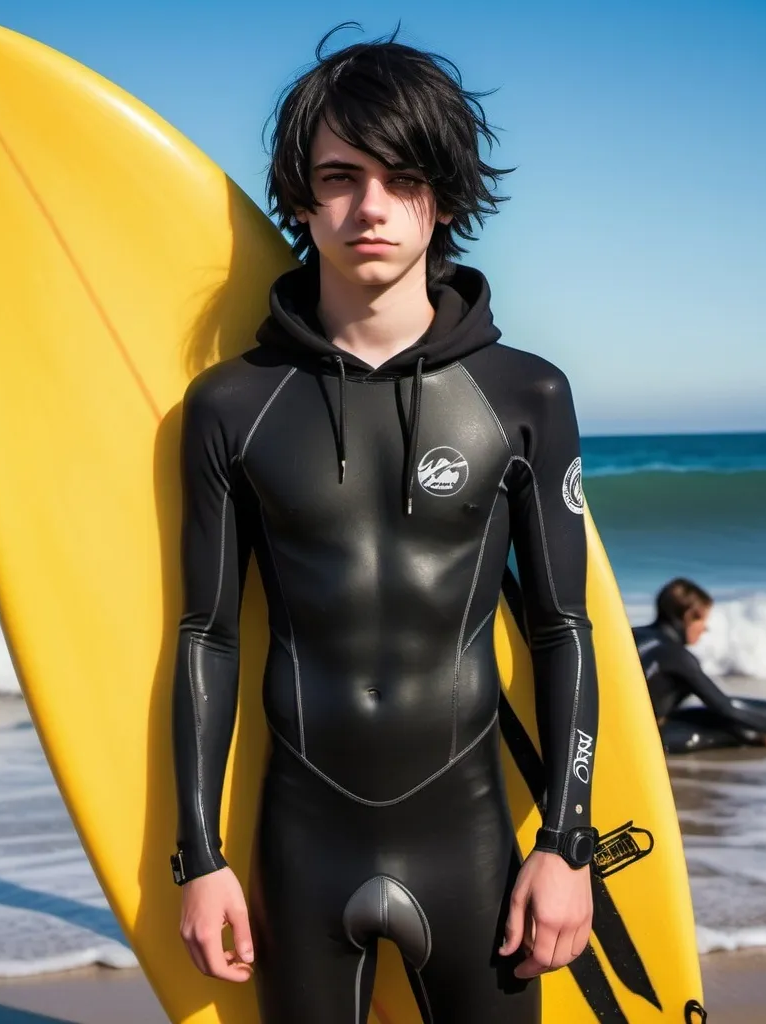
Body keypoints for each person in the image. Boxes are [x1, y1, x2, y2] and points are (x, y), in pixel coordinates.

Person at [169, 27, 599, 1024]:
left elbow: (561, 627)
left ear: (442, 197)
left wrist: (565, 842)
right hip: (300, 842)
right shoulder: (232, 405)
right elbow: (208, 634)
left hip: (475, 842)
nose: (368, 207)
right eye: (337, 176)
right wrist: (199, 859)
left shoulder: (523, 392)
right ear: (299, 198)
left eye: (400, 177)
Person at [633, 578, 766, 750]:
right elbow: (726, 709)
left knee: (694, 713)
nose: (705, 629)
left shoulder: (630, 634)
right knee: (723, 725)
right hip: (635, 738)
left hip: (607, 724)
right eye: (703, 620)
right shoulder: (678, 656)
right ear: (688, 617)